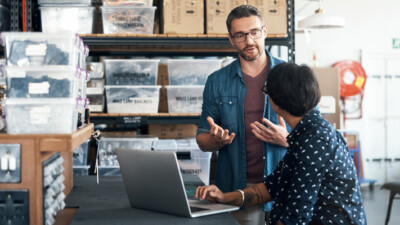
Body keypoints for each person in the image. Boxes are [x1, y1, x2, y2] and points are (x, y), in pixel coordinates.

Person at [195, 63, 367, 225]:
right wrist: (224, 197)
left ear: (276, 102)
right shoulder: (305, 134)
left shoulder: (315, 141)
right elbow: (270, 188)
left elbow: (295, 217)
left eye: (266, 91)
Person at [196, 4, 290, 225]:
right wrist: (215, 140)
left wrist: (287, 139)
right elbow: (202, 139)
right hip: (237, 192)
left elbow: (317, 136)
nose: (249, 41)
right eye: (240, 35)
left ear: (264, 31)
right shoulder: (217, 81)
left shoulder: (289, 75)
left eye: (254, 32)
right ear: (231, 39)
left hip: (285, 189)